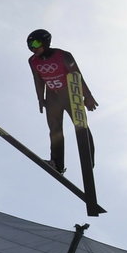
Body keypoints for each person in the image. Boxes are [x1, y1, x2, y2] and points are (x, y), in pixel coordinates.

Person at [27, 29, 98, 174]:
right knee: (54, 130)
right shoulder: (33, 61)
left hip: (70, 94)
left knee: (80, 125)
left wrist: (88, 96)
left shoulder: (63, 55)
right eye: (29, 45)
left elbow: (77, 75)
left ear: (46, 42)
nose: (33, 48)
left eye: (35, 43)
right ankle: (57, 164)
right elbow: (37, 80)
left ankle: (88, 159)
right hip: (52, 97)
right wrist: (40, 98)